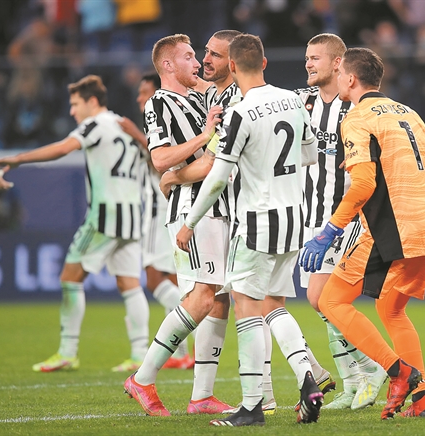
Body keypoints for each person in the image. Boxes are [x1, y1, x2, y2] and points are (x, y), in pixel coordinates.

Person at [160, 30, 335, 417]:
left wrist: (189, 222)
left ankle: (254, 404)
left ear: (234, 66)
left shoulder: (239, 112)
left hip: (256, 220)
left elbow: (218, 177)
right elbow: (309, 155)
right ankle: (308, 376)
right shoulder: (293, 100)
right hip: (294, 219)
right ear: (265, 63)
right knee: (273, 304)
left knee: (247, 308)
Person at [302, 47, 425, 419]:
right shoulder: (410, 113)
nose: (338, 79)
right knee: (392, 309)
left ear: (350, 79)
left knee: (331, 301)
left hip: (392, 228)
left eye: (341, 75)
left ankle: (397, 372)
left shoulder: (356, 117)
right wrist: (423, 214)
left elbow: (364, 184)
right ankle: (422, 400)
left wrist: (329, 230)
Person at [0, 75, 150, 373]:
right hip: (132, 214)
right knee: (129, 283)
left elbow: (64, 148)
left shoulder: (95, 124)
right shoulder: (124, 126)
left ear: (93, 101)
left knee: (70, 277)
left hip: (104, 215)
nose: (72, 111)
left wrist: (18, 159)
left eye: (76, 104)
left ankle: (67, 352)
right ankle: (140, 353)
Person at [123, 34, 231, 417]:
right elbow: (159, 158)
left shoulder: (199, 99)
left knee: (218, 300)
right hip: (190, 210)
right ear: (168, 65)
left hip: (217, 205)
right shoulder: (159, 103)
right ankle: (143, 378)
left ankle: (202, 396)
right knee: (202, 297)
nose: (197, 62)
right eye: (188, 56)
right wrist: (204, 136)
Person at [295, 33, 387, 410]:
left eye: (315, 58)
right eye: (306, 57)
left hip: (342, 217)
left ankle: (374, 366)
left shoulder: (355, 111)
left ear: (337, 64)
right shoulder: (300, 102)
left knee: (322, 298)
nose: (307, 64)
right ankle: (352, 383)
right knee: (321, 305)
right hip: (308, 215)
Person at [116, 71, 194, 371]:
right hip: (169, 208)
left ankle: (189, 331)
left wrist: (136, 135)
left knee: (153, 279)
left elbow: (160, 162)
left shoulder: (160, 118)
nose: (140, 98)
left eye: (144, 92)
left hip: (160, 210)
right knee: (174, 281)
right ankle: (181, 352)